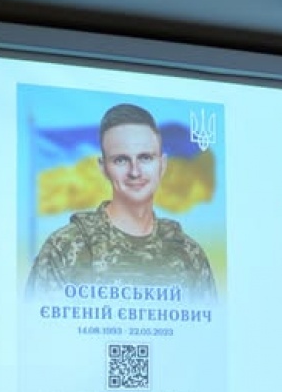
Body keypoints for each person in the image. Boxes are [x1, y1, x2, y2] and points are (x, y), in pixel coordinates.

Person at [26, 103, 217, 302]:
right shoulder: (63, 248)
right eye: (121, 160)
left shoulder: (189, 255)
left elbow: (208, 320)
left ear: (162, 165)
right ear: (103, 168)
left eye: (145, 158)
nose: (135, 171)